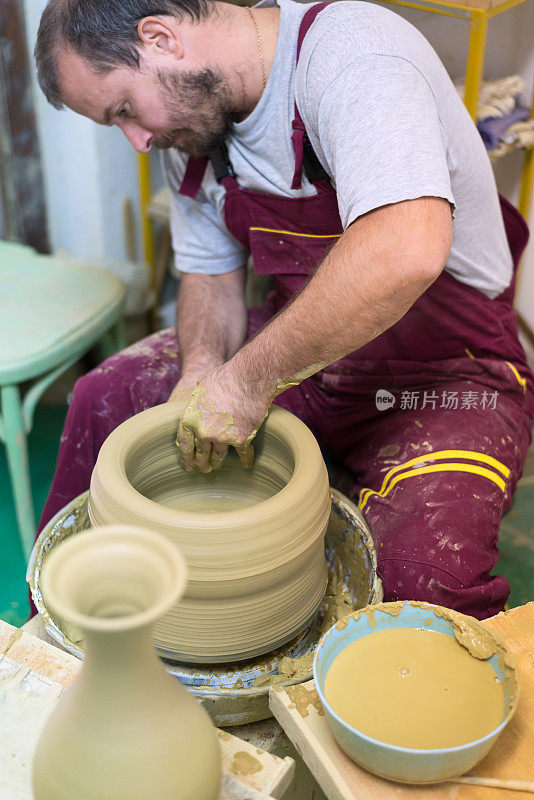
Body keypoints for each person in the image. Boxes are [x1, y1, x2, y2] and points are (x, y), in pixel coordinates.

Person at [34, 0, 533, 620]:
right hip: (305, 356)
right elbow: (210, 273)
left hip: (440, 380)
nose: (137, 142)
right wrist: (203, 370)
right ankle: (67, 638)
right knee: (106, 398)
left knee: (423, 577)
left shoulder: (352, 57)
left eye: (125, 112)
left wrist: (244, 381)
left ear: (160, 38)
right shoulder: (195, 127)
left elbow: (405, 250)